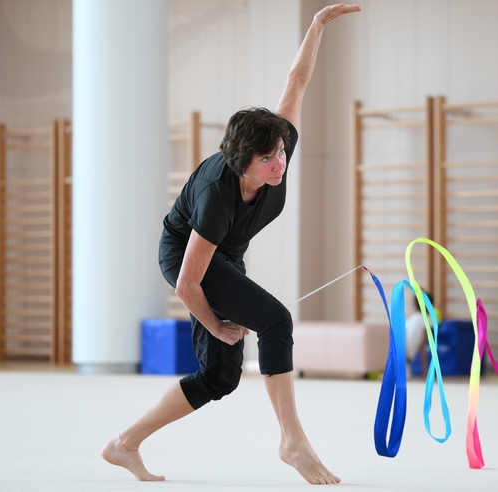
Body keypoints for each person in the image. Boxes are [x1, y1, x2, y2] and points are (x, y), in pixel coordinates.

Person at [101, 4, 361, 485]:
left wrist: (318, 24)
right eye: (268, 159)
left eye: (282, 153)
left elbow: (296, 81)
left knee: (219, 378)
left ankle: (124, 444)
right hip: (187, 257)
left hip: (223, 257)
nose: (280, 164)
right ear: (242, 162)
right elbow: (186, 283)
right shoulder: (216, 197)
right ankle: (292, 441)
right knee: (276, 320)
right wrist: (216, 327)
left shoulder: (274, 144)